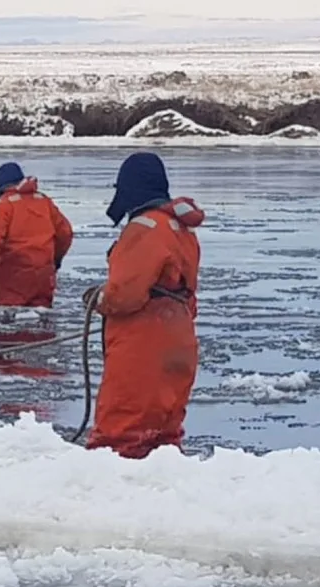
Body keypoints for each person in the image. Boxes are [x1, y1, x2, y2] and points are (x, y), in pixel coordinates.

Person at [81, 151, 204, 459]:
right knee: (164, 437)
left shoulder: (144, 227)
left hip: (144, 342)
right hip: (179, 337)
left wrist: (100, 299)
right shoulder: (183, 229)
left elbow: (126, 295)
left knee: (121, 436)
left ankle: (111, 497)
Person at [0, 162, 75, 309]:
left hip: (13, 275)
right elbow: (65, 233)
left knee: (8, 322)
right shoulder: (44, 201)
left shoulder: (3, 205)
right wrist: (55, 259)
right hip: (43, 274)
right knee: (42, 321)